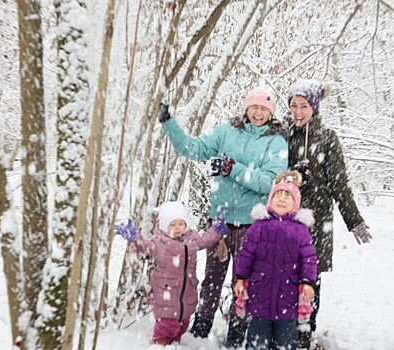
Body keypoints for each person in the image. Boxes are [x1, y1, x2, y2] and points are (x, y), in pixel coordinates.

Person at [157, 85, 288, 348]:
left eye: (264, 109)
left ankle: (238, 330)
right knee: (212, 280)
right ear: (246, 108)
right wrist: (169, 123)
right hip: (220, 222)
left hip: (253, 225)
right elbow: (192, 149)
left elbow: (270, 182)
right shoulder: (226, 132)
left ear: (271, 113)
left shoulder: (276, 142)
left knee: (245, 282)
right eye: (255, 107)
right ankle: (202, 327)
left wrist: (233, 169)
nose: (259, 113)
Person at [287, 79, 373, 349]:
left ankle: (304, 334)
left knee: (309, 280)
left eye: (304, 106)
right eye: (293, 106)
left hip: (316, 221)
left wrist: (354, 220)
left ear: (314, 108)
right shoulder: (284, 135)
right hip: (287, 221)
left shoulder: (327, 138)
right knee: (286, 276)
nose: (298, 112)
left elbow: (339, 182)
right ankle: (286, 331)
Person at [114, 201, 228, 345]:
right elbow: (146, 247)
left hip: (186, 294)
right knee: (166, 327)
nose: (177, 228)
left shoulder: (191, 239)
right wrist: (134, 238)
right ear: (164, 225)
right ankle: (159, 345)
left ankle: (174, 344)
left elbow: (205, 240)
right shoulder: (160, 242)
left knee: (182, 323)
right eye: (172, 224)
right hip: (166, 295)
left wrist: (217, 230)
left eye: (181, 223)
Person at [234, 170, 317, 350]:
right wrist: (241, 278)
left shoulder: (300, 230)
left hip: (288, 298)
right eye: (277, 195)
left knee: (286, 341)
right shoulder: (259, 227)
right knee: (257, 340)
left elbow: (309, 259)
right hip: (260, 295)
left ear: (295, 204)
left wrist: (308, 282)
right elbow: (246, 254)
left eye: (287, 196)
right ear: (270, 201)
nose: (281, 199)